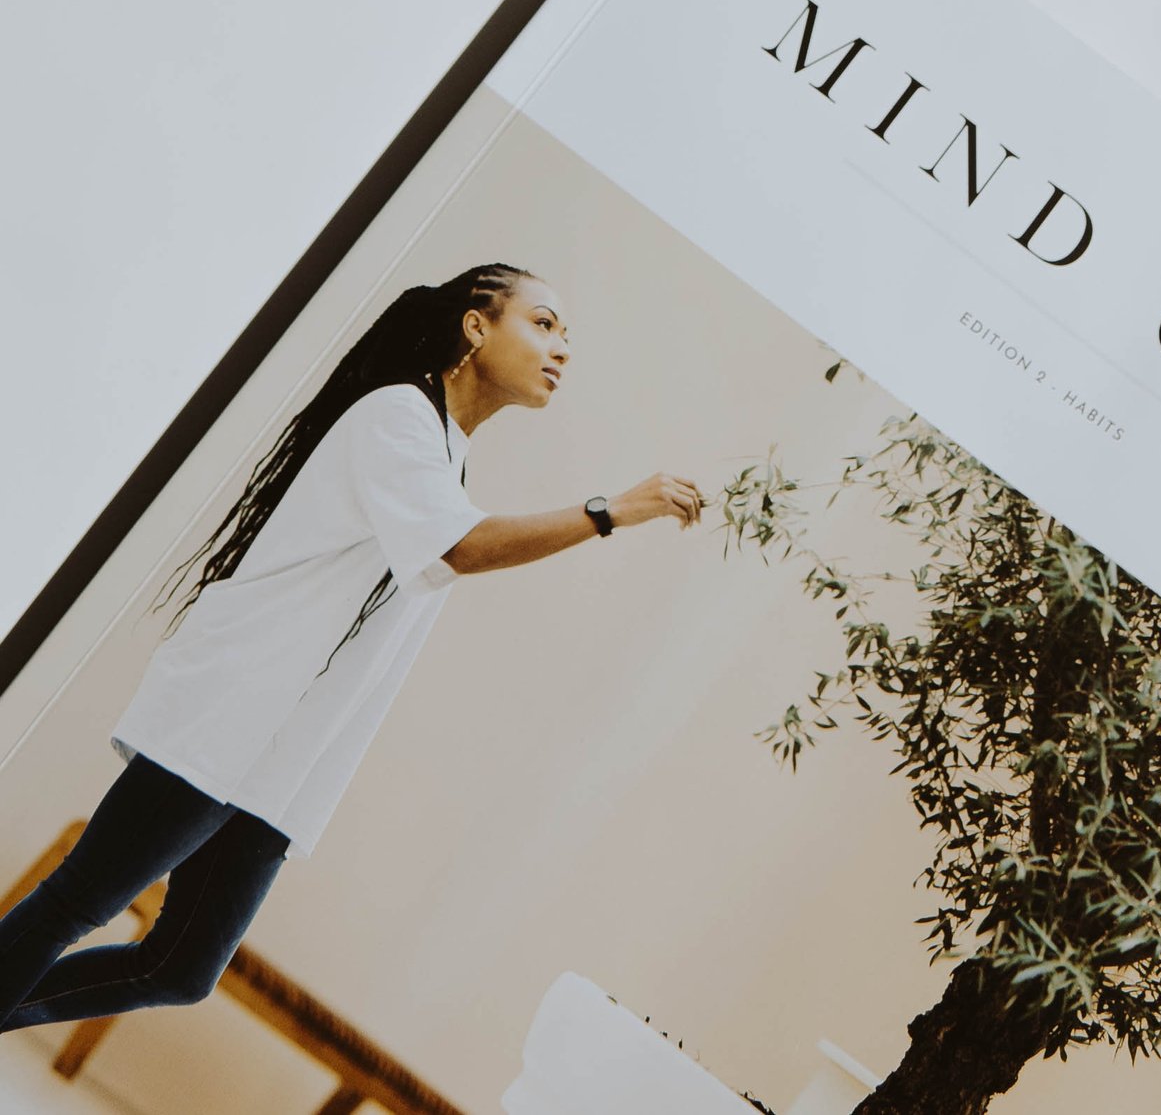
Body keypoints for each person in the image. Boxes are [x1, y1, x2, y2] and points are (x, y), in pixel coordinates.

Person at [0, 261, 702, 1035]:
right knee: (77, 903)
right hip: (230, 712)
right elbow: (463, 547)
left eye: (565, 333)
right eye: (543, 323)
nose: (562, 347)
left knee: (180, 968)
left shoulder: (444, 449)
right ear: (476, 326)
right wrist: (610, 510)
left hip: (280, 751)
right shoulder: (396, 416)